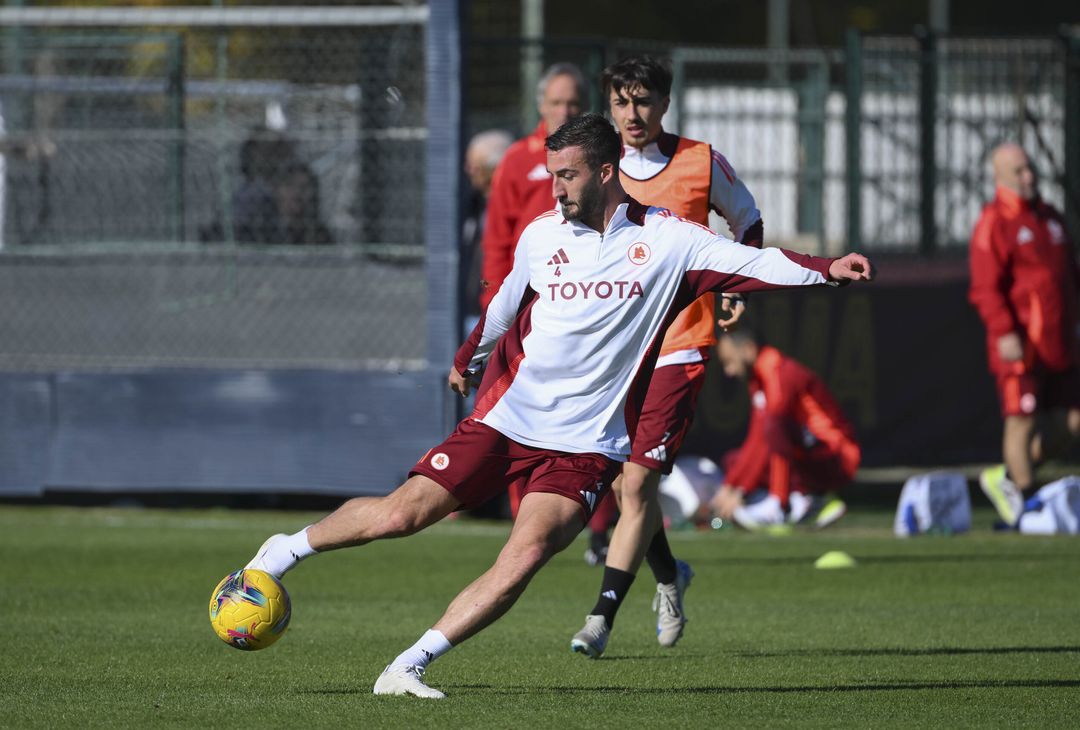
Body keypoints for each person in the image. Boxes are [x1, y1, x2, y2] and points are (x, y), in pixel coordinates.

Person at [242, 113, 874, 699]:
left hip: (587, 445)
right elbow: (505, 305)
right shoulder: (543, 235)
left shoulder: (672, 242)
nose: (555, 189)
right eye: (552, 175)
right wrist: (469, 354)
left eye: (567, 175)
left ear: (604, 172)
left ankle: (406, 666)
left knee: (523, 556)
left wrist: (827, 268)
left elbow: (757, 261)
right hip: (507, 419)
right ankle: (282, 551)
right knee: (400, 516)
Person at [570, 55, 763, 659]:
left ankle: (599, 620)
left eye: (644, 101)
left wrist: (731, 283)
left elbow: (748, 221)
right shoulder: (597, 169)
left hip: (681, 343)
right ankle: (669, 576)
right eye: (622, 102)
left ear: (665, 104)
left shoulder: (699, 162)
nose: (632, 113)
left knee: (638, 482)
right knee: (630, 486)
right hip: (616, 350)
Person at [479, 61, 585, 518]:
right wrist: (494, 310)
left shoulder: (599, 160)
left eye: (573, 102)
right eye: (556, 102)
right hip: (525, 314)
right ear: (541, 104)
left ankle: (590, 523)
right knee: (514, 415)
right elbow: (497, 241)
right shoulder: (519, 159)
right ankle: (521, 512)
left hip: (583, 309)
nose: (563, 110)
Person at [968, 142, 1080, 526]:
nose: (1029, 176)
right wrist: (1003, 330)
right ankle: (1028, 505)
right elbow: (985, 287)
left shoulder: (1050, 217)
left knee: (1072, 422)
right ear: (1000, 176)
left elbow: (1068, 277)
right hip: (1021, 342)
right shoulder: (994, 221)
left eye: (1030, 168)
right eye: (1019, 171)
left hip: (1059, 341)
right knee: (1021, 419)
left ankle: (1010, 479)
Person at [709, 329, 860, 529]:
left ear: (747, 349)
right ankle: (804, 502)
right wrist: (729, 486)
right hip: (808, 454)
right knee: (733, 459)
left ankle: (780, 505)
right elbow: (756, 439)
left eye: (729, 361)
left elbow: (771, 433)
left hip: (835, 457)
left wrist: (740, 491)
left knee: (774, 426)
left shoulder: (779, 372)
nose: (729, 371)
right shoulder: (758, 379)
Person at [462, 130, 514, 325]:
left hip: (495, 307)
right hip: (469, 305)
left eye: (477, 166)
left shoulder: (507, 208)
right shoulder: (471, 204)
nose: (469, 170)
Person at [276, 161, 333, 245]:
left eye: (303, 187)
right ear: (278, 190)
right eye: (290, 186)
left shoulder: (319, 234)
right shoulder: (266, 228)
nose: (297, 193)